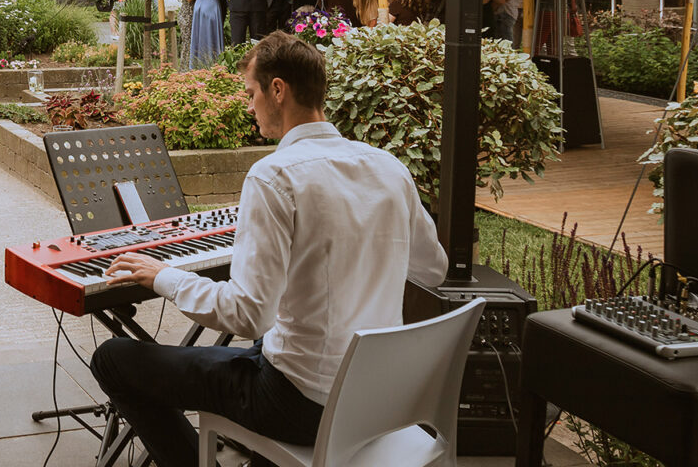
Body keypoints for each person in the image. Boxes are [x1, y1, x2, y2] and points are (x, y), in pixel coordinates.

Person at [90, 31, 449, 467]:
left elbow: (247, 314)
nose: (248, 104)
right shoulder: (388, 167)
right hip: (381, 397)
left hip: (301, 406)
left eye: (251, 92)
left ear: (277, 90)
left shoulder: (273, 176)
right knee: (264, 342)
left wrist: (163, 276)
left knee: (113, 358)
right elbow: (433, 270)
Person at [188, 0, 225, 68]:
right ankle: (213, 64)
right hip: (210, 6)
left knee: (199, 36)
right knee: (211, 35)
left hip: (199, 4)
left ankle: (197, 65)